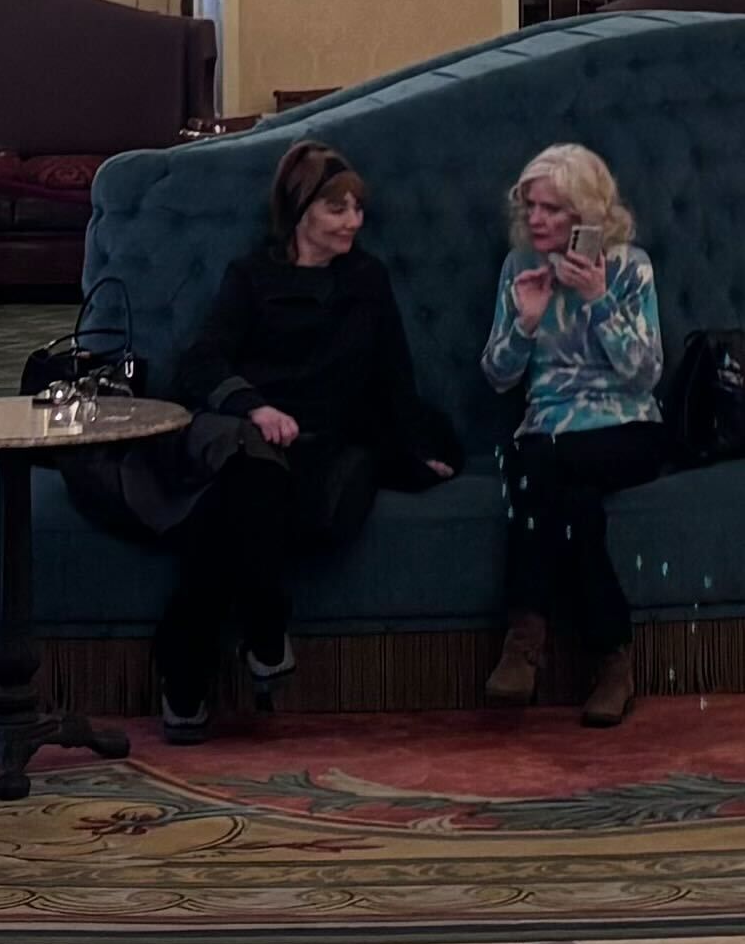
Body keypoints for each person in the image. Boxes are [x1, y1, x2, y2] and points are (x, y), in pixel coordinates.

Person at [81, 140, 455, 745]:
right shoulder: (252, 276)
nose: (353, 222)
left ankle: (188, 673)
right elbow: (202, 362)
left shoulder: (367, 279)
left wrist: (412, 450)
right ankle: (262, 628)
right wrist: (254, 406)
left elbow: (394, 377)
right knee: (247, 476)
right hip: (250, 434)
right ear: (301, 209)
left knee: (229, 511)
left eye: (358, 209)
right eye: (338, 210)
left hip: (328, 447)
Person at [478, 140, 671, 728]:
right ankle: (612, 659)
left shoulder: (630, 266)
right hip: (548, 429)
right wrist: (527, 322)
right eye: (531, 206)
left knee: (540, 471)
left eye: (553, 209)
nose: (536, 219)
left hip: (625, 427)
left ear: (586, 213)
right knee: (571, 499)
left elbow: (645, 372)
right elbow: (496, 374)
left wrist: (598, 299)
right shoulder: (519, 268)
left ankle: (524, 640)